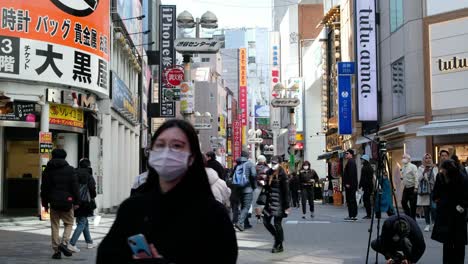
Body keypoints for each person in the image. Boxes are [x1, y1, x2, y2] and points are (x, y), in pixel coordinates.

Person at [96, 119, 238, 263]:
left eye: (177, 146)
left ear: (192, 158)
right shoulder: (133, 208)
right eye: (160, 145)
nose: (166, 152)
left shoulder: (213, 214)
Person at [40, 148, 79, 259]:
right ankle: (64, 243)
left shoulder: (47, 170)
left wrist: (44, 203)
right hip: (68, 202)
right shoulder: (70, 170)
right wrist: (77, 201)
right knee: (69, 223)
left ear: (52, 156)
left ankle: (56, 251)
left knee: (54, 225)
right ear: (64, 157)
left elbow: (44, 188)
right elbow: (75, 188)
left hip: (53, 202)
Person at [431, 159, 468, 264]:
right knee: (453, 243)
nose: (443, 171)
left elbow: (435, 195)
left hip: (451, 213)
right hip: (453, 213)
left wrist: (442, 202)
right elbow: (435, 194)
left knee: (453, 242)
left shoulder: (457, 177)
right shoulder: (444, 177)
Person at [262, 155, 290, 253]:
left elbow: (286, 191)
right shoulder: (269, 172)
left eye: (275, 163)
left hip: (279, 203)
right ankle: (277, 239)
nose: (273, 165)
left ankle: (278, 244)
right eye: (272, 163)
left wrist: (287, 206)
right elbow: (266, 188)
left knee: (277, 223)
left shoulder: (283, 174)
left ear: (279, 163)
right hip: (269, 202)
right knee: (265, 221)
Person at [68, 158, 97, 252]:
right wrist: (93, 196)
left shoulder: (74, 173)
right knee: (82, 222)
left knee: (84, 222)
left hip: (75, 201)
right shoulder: (88, 175)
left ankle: (89, 242)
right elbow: (92, 189)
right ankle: (72, 243)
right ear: (88, 166)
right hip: (85, 202)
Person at [232, 150, 257, 232]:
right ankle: (240, 222)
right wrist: (254, 186)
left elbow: (232, 175)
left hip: (237, 188)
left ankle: (246, 224)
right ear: (247, 156)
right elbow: (253, 175)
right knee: (246, 206)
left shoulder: (237, 164)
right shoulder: (250, 164)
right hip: (247, 188)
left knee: (243, 206)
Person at [415, 153, 438, 232]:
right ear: (423, 159)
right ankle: (427, 224)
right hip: (425, 191)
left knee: (434, 208)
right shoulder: (420, 168)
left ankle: (434, 223)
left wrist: (433, 169)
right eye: (426, 158)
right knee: (426, 208)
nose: (428, 159)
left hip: (433, 190)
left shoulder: (435, 168)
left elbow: (436, 179)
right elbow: (418, 179)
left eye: (429, 158)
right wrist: (424, 171)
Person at [400, 154, 418, 219]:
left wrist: (416, 187)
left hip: (412, 187)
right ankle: (408, 215)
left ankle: (413, 219)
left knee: (413, 205)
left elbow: (416, 177)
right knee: (403, 202)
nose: (403, 159)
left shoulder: (413, 167)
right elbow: (402, 177)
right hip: (406, 187)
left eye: (404, 157)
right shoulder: (403, 167)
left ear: (409, 159)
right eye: (402, 157)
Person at [343, 149, 358, 221]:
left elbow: (351, 174)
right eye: (345, 153)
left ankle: (352, 215)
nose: (346, 154)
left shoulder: (351, 162)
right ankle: (352, 215)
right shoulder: (350, 161)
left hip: (350, 185)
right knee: (351, 199)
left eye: (347, 153)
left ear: (351, 154)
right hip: (351, 185)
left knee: (351, 200)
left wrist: (348, 183)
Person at [253, 155, 269, 222]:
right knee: (263, 201)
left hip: (257, 186)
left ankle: (258, 215)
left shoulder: (255, 167)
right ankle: (261, 214)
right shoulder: (267, 167)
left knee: (256, 202)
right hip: (265, 186)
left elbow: (253, 176)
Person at [359, 154, 374, 219]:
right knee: (367, 200)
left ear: (365, 160)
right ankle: (369, 214)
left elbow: (363, 178)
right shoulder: (370, 167)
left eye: (362, 159)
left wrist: (360, 185)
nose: (361, 160)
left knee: (366, 200)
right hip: (369, 185)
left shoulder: (364, 168)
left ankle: (369, 214)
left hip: (367, 186)